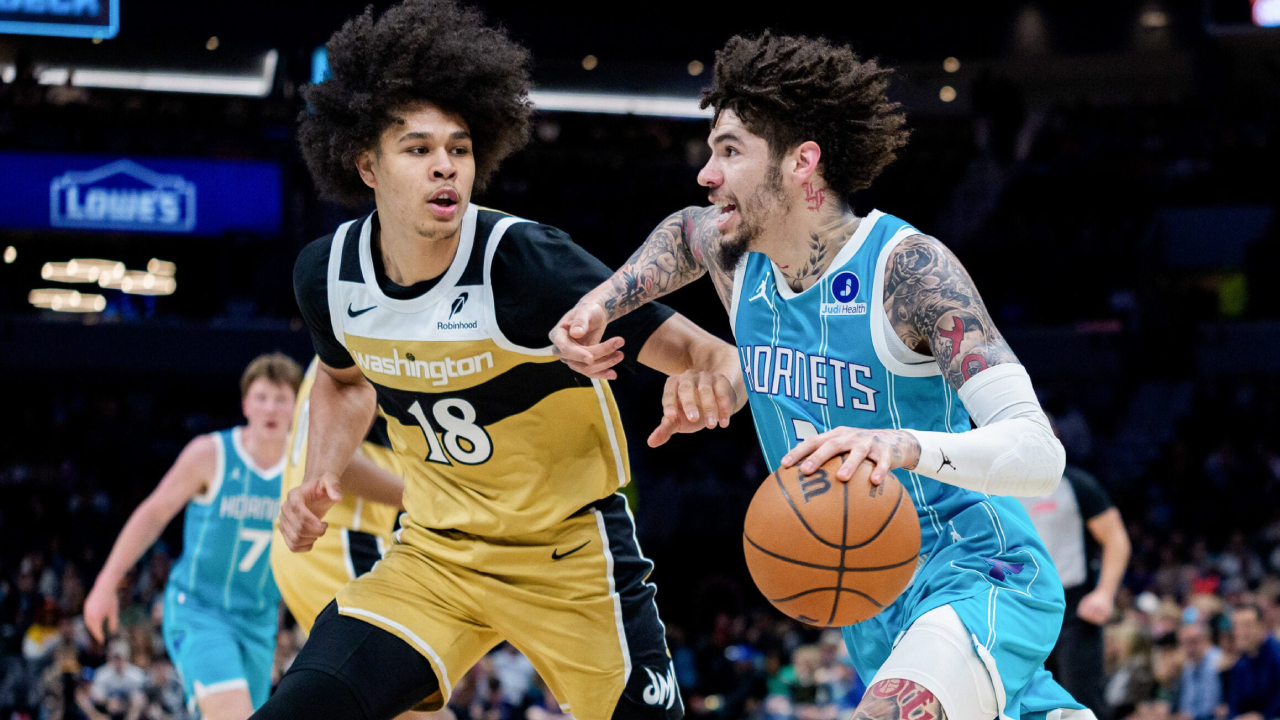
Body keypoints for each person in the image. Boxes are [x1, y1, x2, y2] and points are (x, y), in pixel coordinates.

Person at [553, 31, 1093, 720]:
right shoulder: (738, 262)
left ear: (802, 162)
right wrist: (600, 305)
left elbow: (1040, 454)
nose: (707, 173)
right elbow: (680, 234)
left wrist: (900, 446)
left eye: (730, 151)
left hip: (976, 570)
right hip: (872, 602)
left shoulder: (909, 272)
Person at [256, 2, 739, 719]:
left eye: (459, 147)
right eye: (417, 149)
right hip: (433, 556)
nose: (445, 166)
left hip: (567, 558)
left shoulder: (524, 265)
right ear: (366, 164)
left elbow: (710, 355)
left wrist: (714, 387)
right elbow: (340, 379)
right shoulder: (327, 276)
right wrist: (318, 476)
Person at [83, 354, 303, 720]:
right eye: (262, 397)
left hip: (259, 621)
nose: (271, 408)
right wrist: (106, 581)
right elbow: (153, 513)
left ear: (298, 408)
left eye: (282, 399)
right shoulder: (210, 454)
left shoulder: (305, 464)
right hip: (200, 610)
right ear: (245, 404)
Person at [269, 358, 405, 634]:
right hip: (341, 544)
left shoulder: (331, 353)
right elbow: (339, 468)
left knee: (352, 674)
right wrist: (422, 498)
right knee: (406, 662)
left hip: (304, 542)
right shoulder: (377, 348)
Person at [1019, 460, 1131, 718]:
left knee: (1082, 701)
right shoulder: (998, 489)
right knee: (1029, 704)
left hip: (1075, 610)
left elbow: (1116, 538)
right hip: (1025, 611)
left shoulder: (1075, 484)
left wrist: (1104, 593)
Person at [1227, 604, 1280, 720]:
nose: (1242, 633)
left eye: (1247, 626)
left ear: (1262, 626)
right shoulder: (1240, 664)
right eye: (1237, 626)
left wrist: (1263, 716)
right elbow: (1234, 703)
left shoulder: (1276, 654)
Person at [1175, 622, 1223, 720]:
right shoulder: (1187, 666)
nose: (1190, 648)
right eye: (1185, 643)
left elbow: (1210, 706)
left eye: (1194, 642)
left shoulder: (1218, 661)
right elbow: (1186, 703)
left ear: (1205, 641)